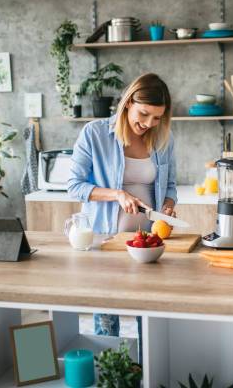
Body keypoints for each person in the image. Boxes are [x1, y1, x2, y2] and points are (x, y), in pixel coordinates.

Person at [68, 73, 177, 341]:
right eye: (144, 114)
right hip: (106, 241)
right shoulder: (94, 133)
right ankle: (111, 374)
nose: (148, 123)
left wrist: (168, 205)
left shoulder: (163, 138)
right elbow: (74, 185)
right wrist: (117, 195)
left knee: (149, 315)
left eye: (156, 118)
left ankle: (148, 371)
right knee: (106, 319)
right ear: (128, 102)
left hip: (148, 244)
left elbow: (171, 184)